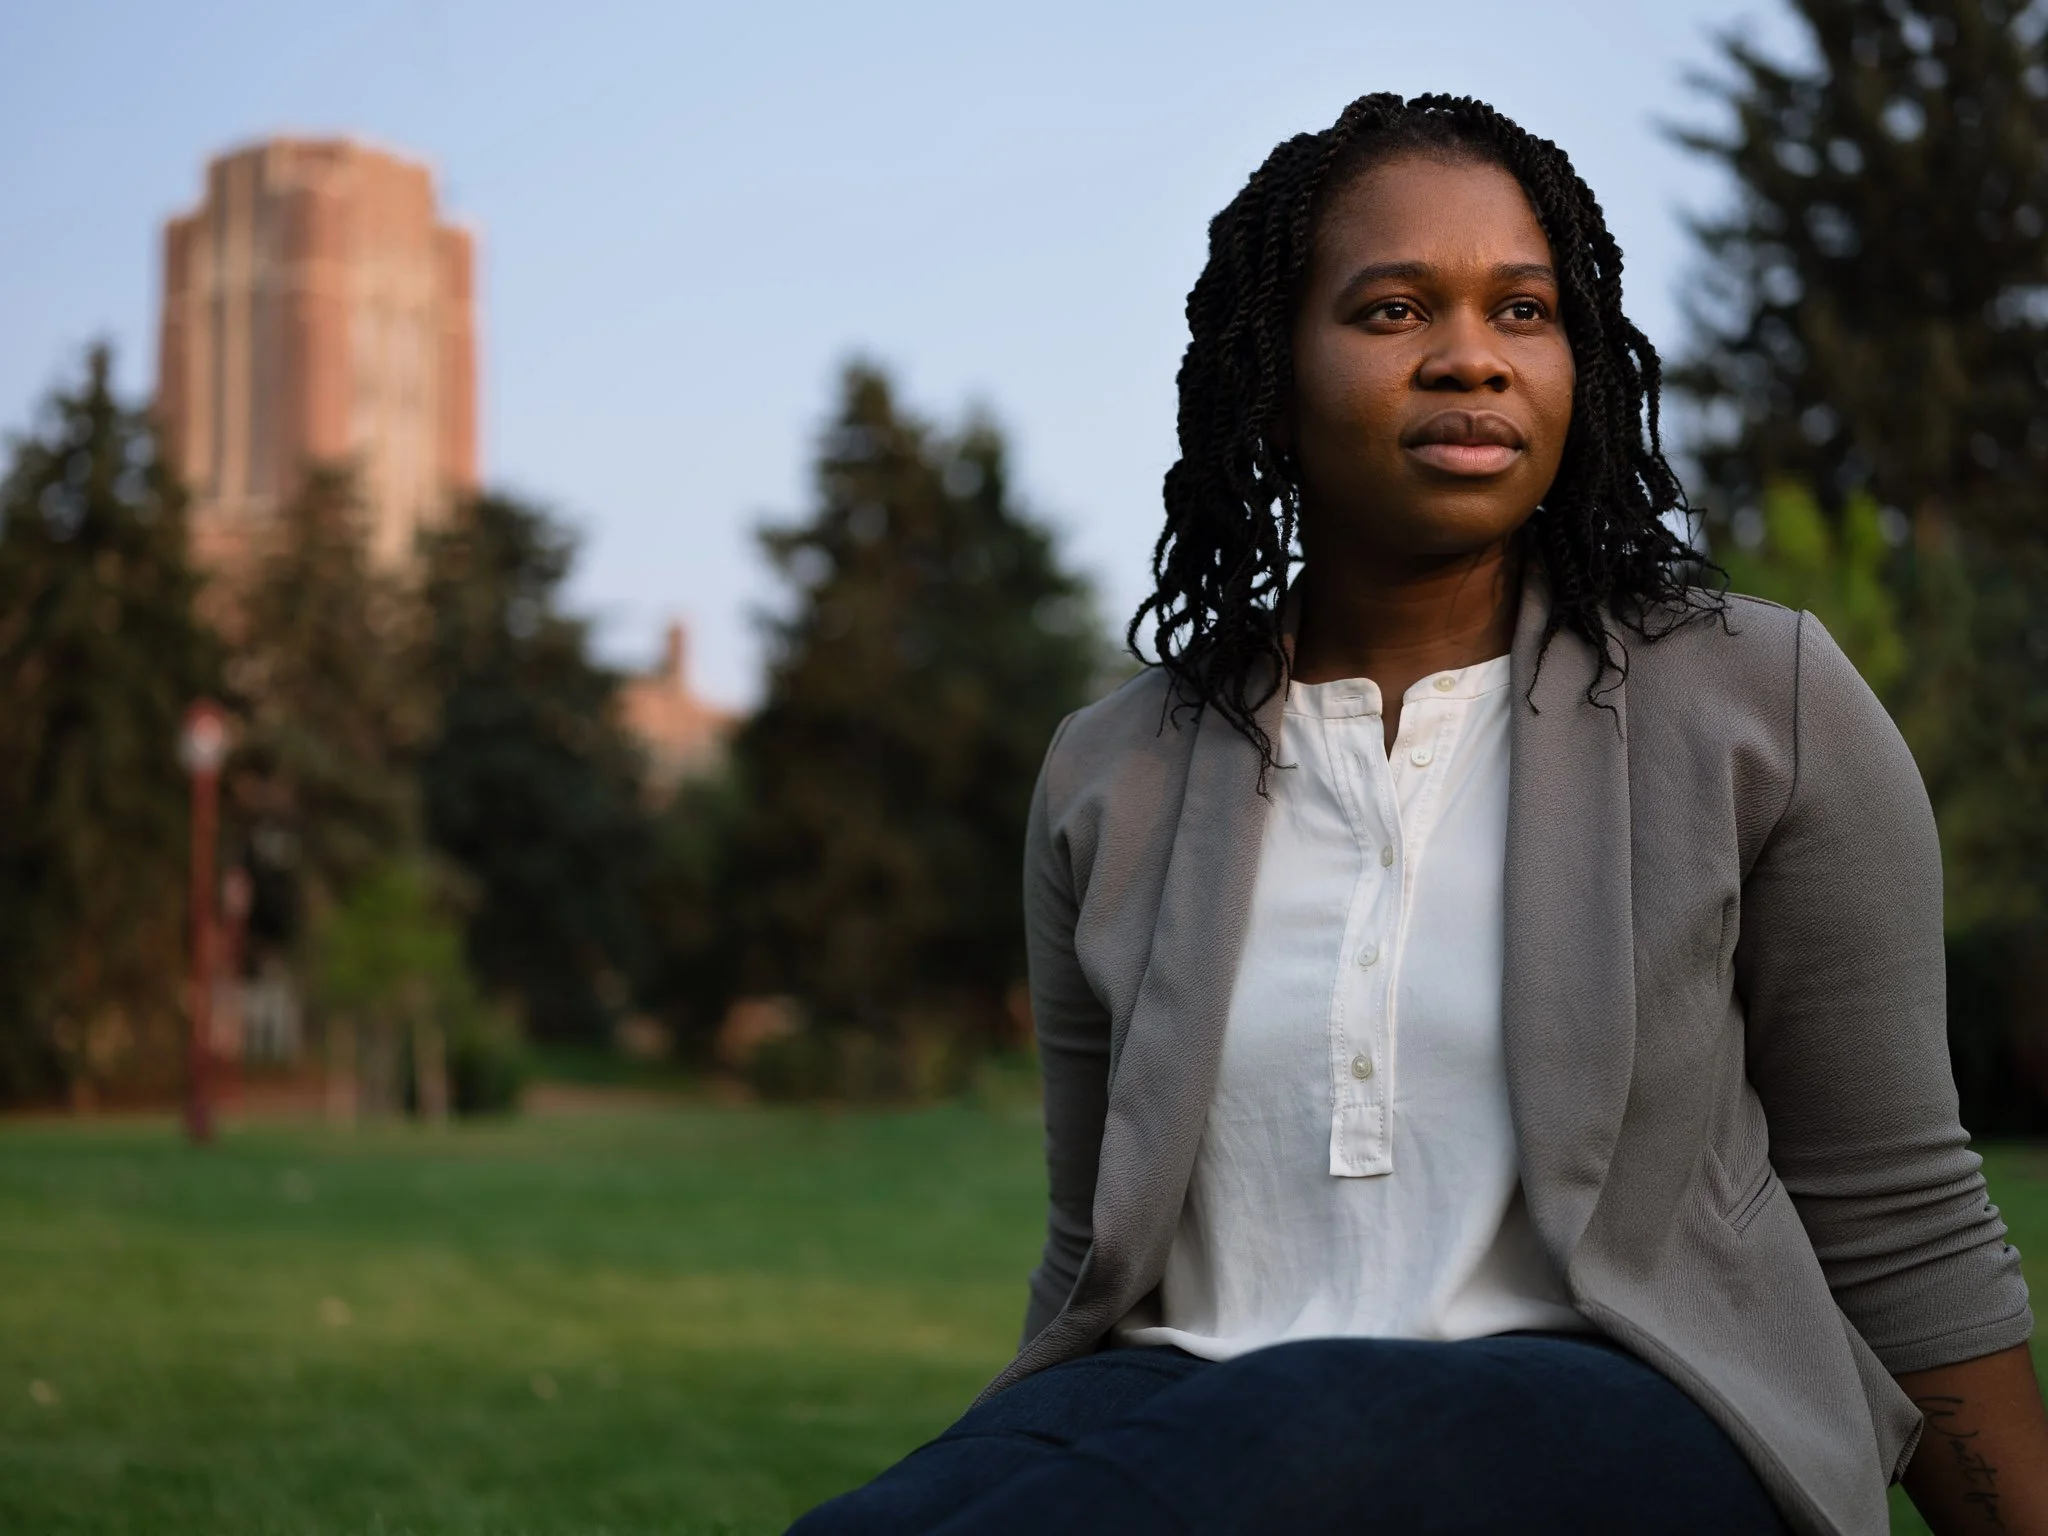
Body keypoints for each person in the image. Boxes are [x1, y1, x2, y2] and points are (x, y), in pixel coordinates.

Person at [789, 91, 2047, 1536]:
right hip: (1192, 1403)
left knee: (1312, 1420)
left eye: (1524, 310)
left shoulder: (1758, 701)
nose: (1471, 357)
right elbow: (1099, 1245)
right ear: (1270, 377)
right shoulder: (1110, 772)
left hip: (1644, 1413)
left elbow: (1898, 1213)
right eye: (1392, 312)